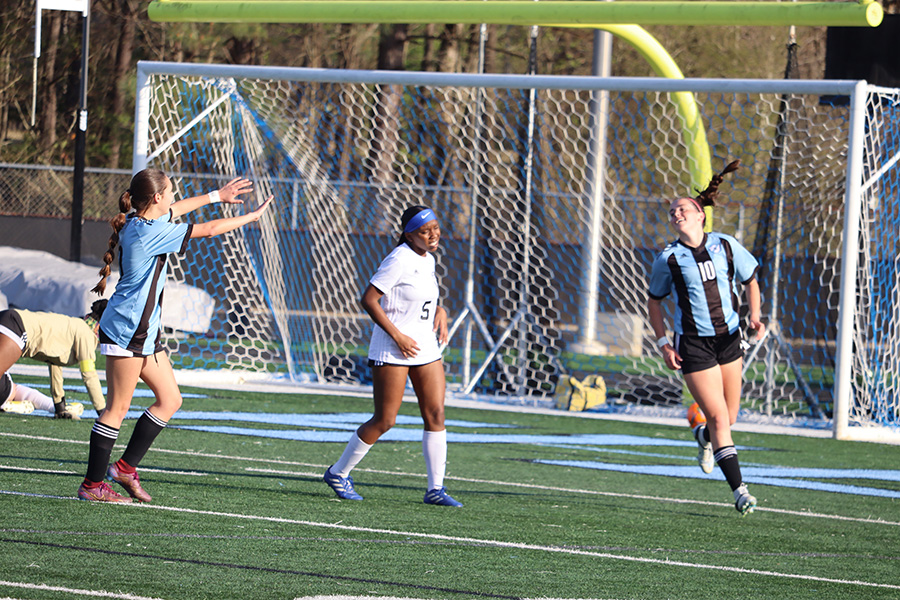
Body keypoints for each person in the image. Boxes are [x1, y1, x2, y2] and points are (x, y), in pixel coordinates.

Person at [77, 169, 272, 503]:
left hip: (144, 331)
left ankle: (124, 468)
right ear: (156, 198)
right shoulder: (147, 232)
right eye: (169, 193)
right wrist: (251, 217)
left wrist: (217, 196)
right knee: (116, 410)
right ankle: (93, 485)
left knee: (170, 400)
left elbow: (178, 209)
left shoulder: (145, 221)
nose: (173, 198)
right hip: (127, 329)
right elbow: (209, 229)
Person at [646, 160, 764, 516]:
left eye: (682, 208)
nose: (675, 213)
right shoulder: (668, 258)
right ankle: (740, 490)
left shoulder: (726, 245)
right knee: (718, 418)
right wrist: (663, 343)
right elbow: (654, 301)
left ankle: (702, 438)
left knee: (730, 416)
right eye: (671, 211)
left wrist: (755, 316)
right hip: (693, 345)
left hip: (728, 339)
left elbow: (751, 280)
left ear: (700, 215)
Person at [323, 205, 462, 507]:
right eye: (425, 231)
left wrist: (440, 310)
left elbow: (422, 297)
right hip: (392, 346)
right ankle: (338, 473)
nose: (433, 235)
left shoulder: (429, 259)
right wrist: (397, 335)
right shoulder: (398, 259)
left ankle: (435, 489)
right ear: (409, 235)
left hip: (424, 345)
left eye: (436, 228)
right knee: (385, 420)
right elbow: (369, 299)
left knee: (436, 413)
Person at [0, 299, 109, 419]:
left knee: (4, 391)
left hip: (9, 319)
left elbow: (54, 362)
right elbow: (89, 374)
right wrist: (103, 411)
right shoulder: (86, 334)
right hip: (16, 327)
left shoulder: (76, 327)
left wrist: (59, 407)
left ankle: (8, 402)